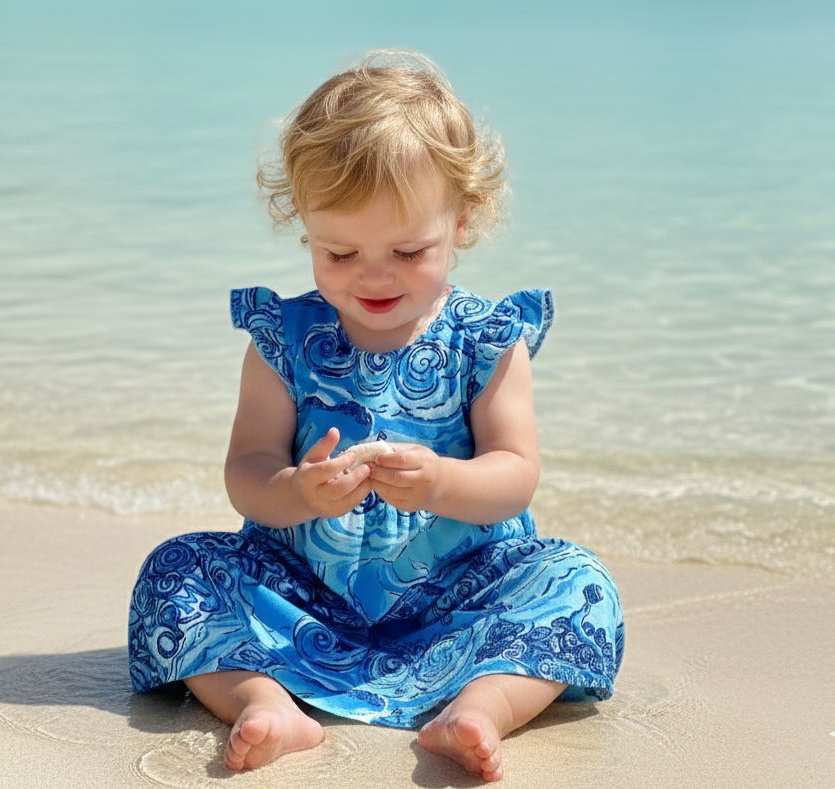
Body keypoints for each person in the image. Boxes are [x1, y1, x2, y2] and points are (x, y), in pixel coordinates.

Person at [128, 51, 624, 783]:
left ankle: (478, 708)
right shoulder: (284, 339)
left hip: (459, 595)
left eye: (407, 249)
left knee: (578, 582)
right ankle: (268, 704)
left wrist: (441, 483)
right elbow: (247, 469)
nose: (372, 273)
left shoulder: (486, 340)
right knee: (174, 571)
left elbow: (515, 475)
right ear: (304, 225)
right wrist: (295, 491)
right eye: (339, 251)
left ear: (464, 219)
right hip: (302, 597)